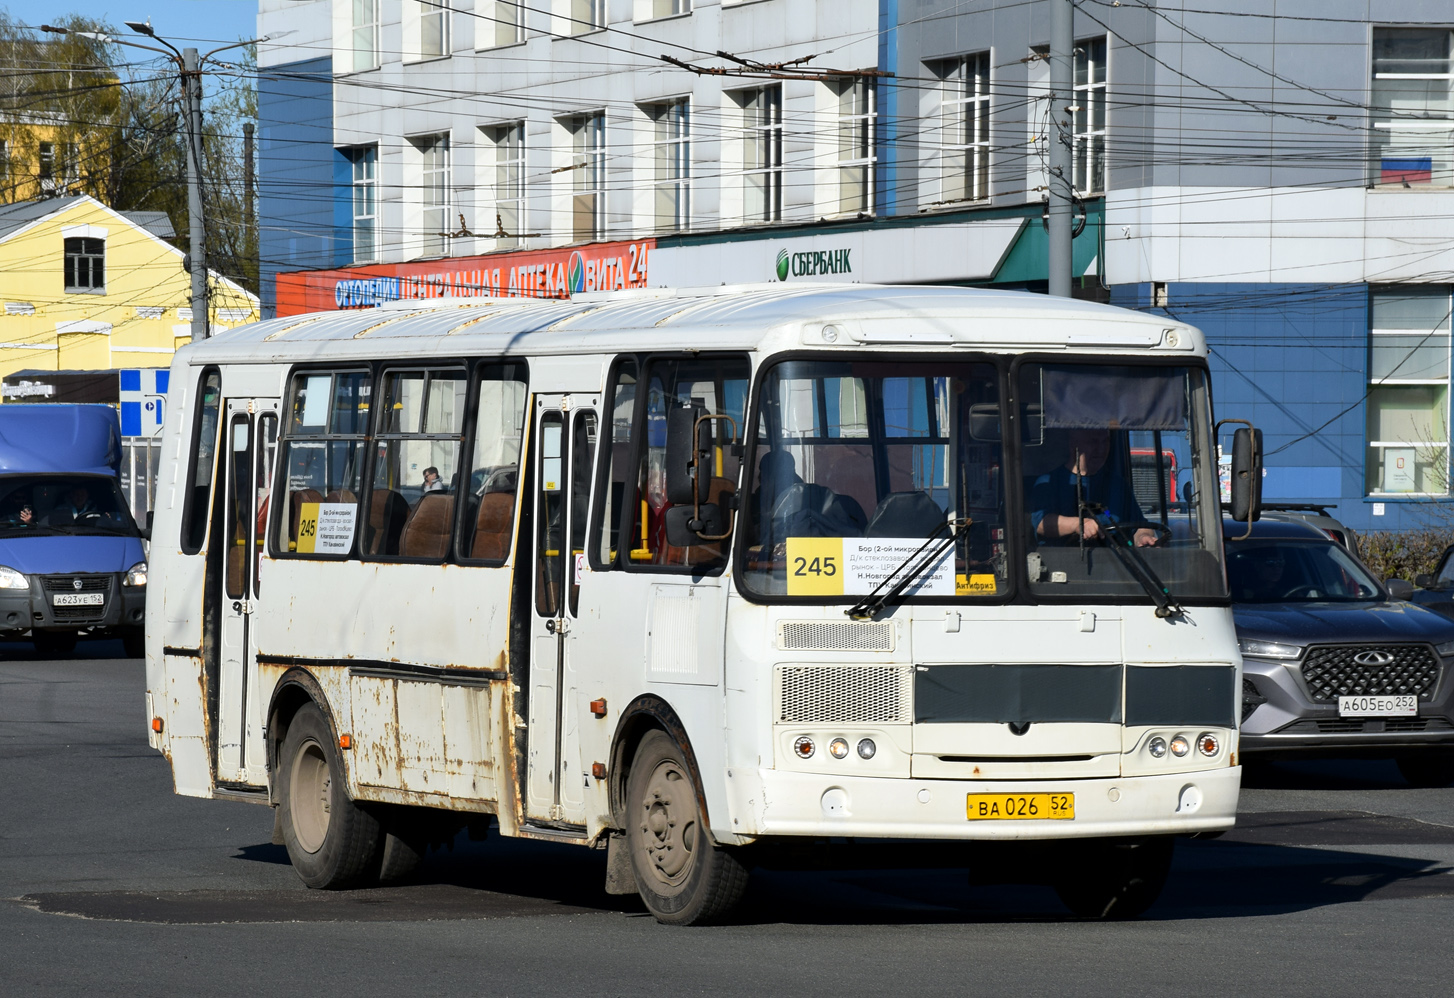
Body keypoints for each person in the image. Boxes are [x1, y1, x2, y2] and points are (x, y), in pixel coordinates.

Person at [1031, 428, 1158, 547]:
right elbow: (1041, 523)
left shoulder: (1117, 484)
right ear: (1073, 444)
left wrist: (1143, 536)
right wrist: (1079, 524)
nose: (1101, 449)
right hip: (1064, 565)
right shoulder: (1049, 482)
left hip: (1115, 565)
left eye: (1105, 441)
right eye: (1093, 442)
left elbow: (1140, 524)